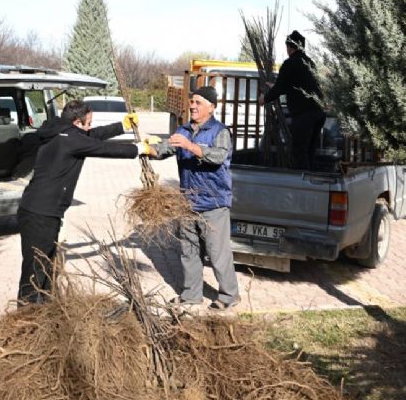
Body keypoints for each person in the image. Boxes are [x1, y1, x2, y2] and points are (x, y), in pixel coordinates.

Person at [16, 99, 153, 303]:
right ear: (76, 123)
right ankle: (24, 318)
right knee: (35, 270)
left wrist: (121, 126)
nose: (89, 126)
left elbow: (91, 136)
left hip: (41, 210)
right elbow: (103, 148)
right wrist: (138, 149)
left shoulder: (60, 132)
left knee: (46, 266)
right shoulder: (69, 139)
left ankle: (42, 313)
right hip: (41, 213)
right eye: (88, 122)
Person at [153, 86, 240, 310]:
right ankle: (191, 295)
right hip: (187, 203)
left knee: (218, 253)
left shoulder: (220, 131)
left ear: (211, 107)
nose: (192, 106)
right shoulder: (183, 131)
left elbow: (218, 157)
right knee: (189, 251)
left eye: (198, 102)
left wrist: (191, 146)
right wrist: (145, 148)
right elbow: (163, 149)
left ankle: (230, 296)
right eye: (192, 102)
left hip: (214, 203)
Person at [258, 30, 326, 170]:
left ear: (290, 47)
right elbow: (293, 84)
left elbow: (281, 87)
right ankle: (314, 187)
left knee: (300, 153)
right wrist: (276, 86)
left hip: (304, 115)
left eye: (287, 47)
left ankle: (304, 187)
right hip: (318, 113)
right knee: (310, 153)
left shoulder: (290, 63)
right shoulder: (310, 62)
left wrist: (264, 98)